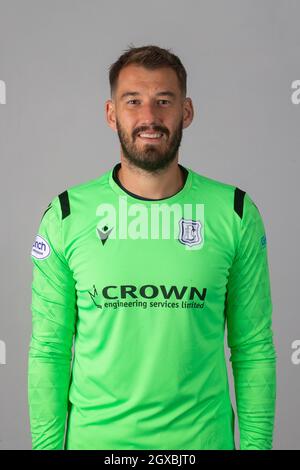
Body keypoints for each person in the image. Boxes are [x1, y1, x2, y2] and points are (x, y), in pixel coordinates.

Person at [28, 44, 277, 450]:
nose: (149, 117)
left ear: (187, 112)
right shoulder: (67, 216)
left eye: (164, 101)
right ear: (112, 114)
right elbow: (49, 352)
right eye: (133, 102)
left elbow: (253, 349)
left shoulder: (234, 213)